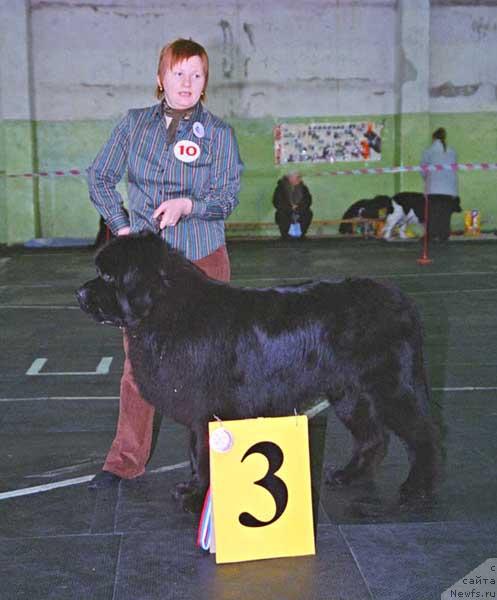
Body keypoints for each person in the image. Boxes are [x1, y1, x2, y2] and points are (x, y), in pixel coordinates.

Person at [86, 38, 243, 488]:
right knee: (139, 368)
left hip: (204, 261)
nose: (188, 83)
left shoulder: (220, 134)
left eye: (197, 74)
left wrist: (189, 206)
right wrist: (120, 227)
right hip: (143, 273)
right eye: (179, 73)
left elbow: (226, 197)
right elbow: (99, 177)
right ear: (161, 78)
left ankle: (220, 463)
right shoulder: (133, 126)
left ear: (205, 81)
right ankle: (124, 460)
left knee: (213, 365)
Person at [420, 127, 461, 242]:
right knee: (445, 214)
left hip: (434, 188)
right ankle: (444, 235)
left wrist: (426, 180)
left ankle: (431, 235)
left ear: (433, 138)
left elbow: (423, 169)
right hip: (449, 189)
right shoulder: (452, 151)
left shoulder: (428, 151)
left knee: (432, 214)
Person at [272, 172, 313, 239]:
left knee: (308, 213)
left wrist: (298, 208)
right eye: (298, 178)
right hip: (286, 211)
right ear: (290, 179)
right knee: (280, 214)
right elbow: (277, 202)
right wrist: (290, 208)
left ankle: (301, 234)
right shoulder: (280, 188)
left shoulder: (304, 188)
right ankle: (285, 235)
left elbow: (308, 201)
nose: (300, 179)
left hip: (300, 210)